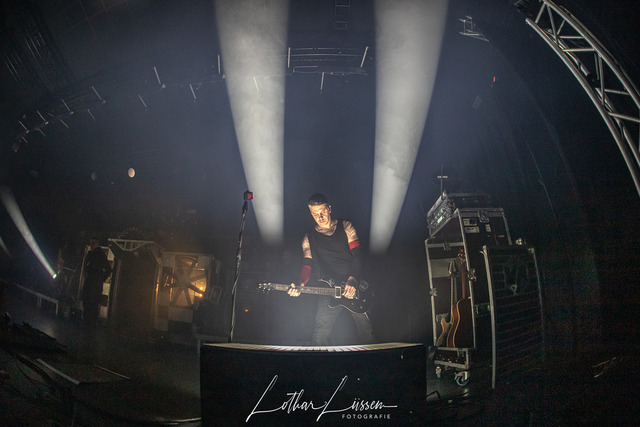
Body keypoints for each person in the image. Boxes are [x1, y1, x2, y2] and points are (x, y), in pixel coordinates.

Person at [288, 193, 374, 345]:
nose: (320, 217)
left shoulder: (346, 226)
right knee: (319, 335)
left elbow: (358, 255)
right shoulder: (308, 237)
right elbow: (307, 265)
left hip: (355, 287)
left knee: (367, 333)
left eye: (322, 212)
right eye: (315, 214)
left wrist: (352, 279)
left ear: (329, 208)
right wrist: (300, 284)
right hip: (328, 289)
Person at [82, 237, 112, 329]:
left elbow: (108, 269)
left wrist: (100, 278)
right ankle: (89, 323)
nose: (91, 245)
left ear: (97, 244)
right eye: (91, 243)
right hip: (92, 282)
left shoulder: (99, 255)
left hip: (94, 283)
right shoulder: (91, 254)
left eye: (93, 243)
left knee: (92, 303)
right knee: (89, 302)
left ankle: (90, 324)